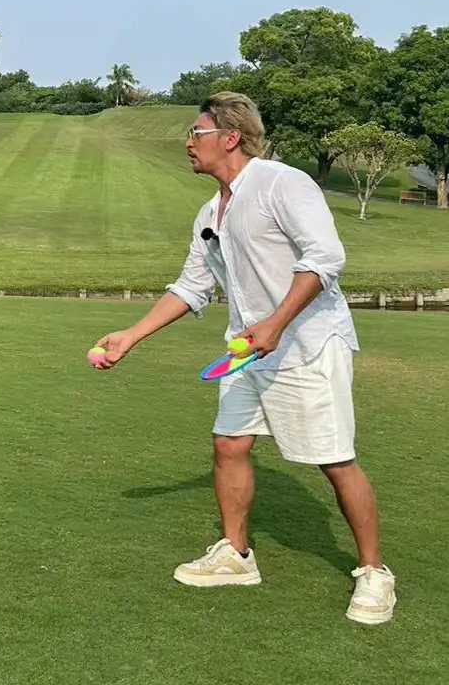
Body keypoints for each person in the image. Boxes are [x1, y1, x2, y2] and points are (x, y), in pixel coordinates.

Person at [91, 91, 396, 626]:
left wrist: (276, 324)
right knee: (229, 443)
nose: (188, 143)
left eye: (196, 133)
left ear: (230, 138)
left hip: (308, 345)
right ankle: (236, 555)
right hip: (245, 350)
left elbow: (326, 257)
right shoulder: (210, 211)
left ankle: (374, 573)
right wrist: (131, 335)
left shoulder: (283, 182)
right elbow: (192, 284)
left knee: (333, 458)